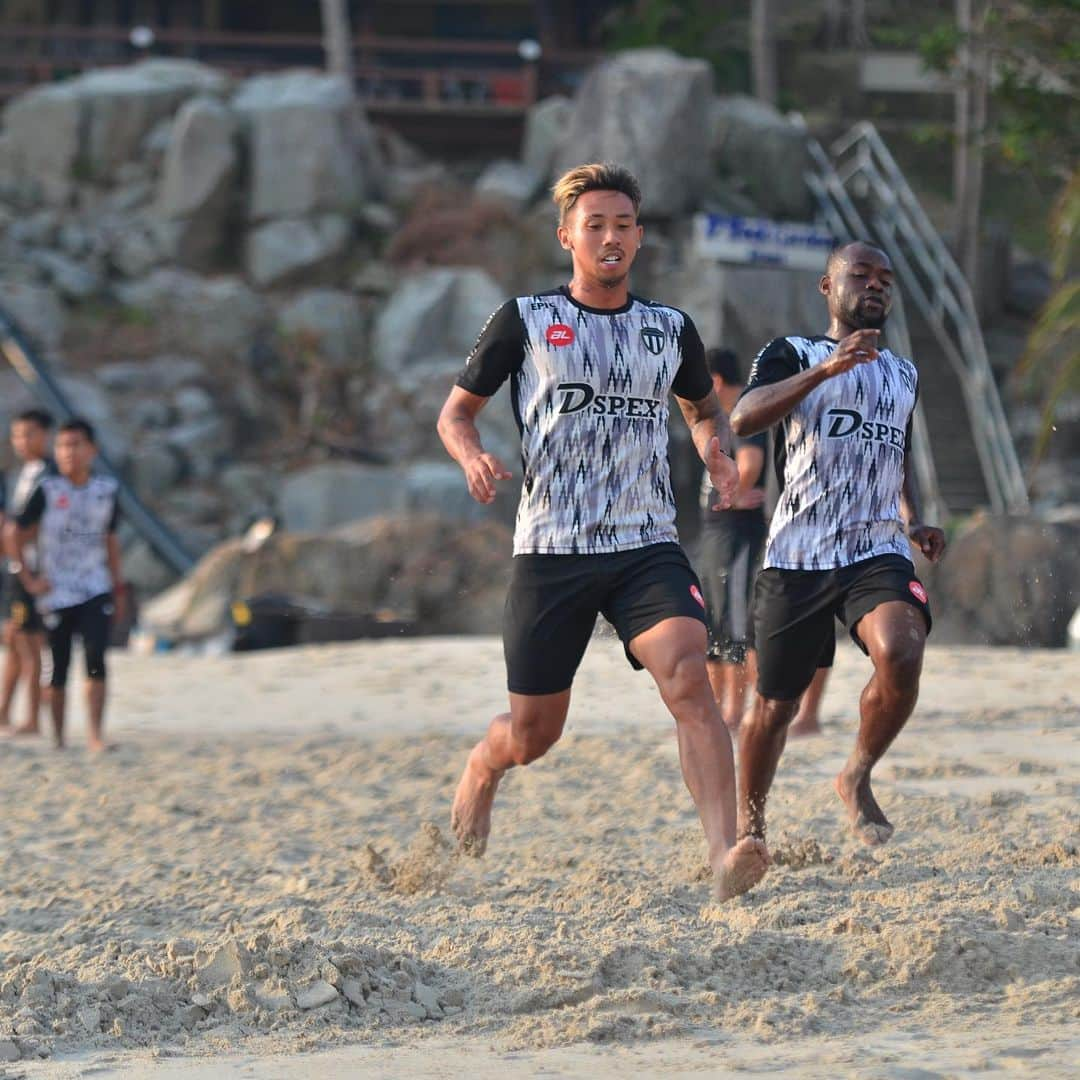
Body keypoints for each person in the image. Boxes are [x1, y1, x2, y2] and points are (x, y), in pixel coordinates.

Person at [436, 162, 770, 900]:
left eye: (623, 225)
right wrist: (472, 454)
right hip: (551, 549)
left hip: (644, 544)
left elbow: (701, 407)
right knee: (534, 735)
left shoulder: (669, 329)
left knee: (689, 677)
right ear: (568, 238)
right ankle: (484, 765)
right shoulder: (523, 321)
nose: (611, 237)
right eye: (596, 225)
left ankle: (725, 855)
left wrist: (713, 450)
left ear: (639, 237)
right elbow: (454, 413)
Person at [730, 241, 946, 863]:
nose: (876, 285)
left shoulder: (903, 374)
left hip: (875, 549)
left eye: (885, 278)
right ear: (828, 287)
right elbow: (744, 418)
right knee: (773, 706)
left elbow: (895, 453)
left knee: (902, 651)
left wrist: (915, 517)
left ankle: (855, 773)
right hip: (797, 551)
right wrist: (826, 371)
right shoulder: (791, 353)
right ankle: (751, 829)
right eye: (861, 274)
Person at [5, 418, 128, 752]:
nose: (67, 452)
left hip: (95, 586)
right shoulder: (47, 491)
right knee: (57, 667)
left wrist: (118, 588)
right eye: (61, 446)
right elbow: (14, 531)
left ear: (92, 450)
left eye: (74, 445)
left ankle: (95, 735)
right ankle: (58, 738)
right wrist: (27, 577)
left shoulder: (106, 491)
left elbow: (110, 540)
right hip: (55, 592)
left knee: (95, 659)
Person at [697, 348, 767, 732]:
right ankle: (716, 709)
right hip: (715, 535)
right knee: (711, 622)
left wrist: (734, 494)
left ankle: (736, 712)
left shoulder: (745, 409)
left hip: (737, 534)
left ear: (716, 381)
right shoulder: (720, 415)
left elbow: (752, 461)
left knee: (734, 623)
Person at [0, 409, 54, 737]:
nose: (22, 441)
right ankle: (5, 713)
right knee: (15, 640)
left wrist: (26, 571)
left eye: (29, 434)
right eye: (17, 435)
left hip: (30, 568)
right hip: (15, 569)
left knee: (30, 645)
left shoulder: (48, 476)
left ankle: (32, 718)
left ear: (45, 434)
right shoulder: (22, 474)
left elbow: (27, 529)